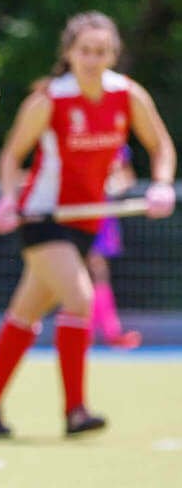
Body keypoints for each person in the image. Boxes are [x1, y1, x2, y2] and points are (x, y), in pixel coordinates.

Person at [0, 11, 176, 437]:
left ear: (112, 55)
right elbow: (11, 156)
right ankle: (76, 411)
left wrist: (161, 184)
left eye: (101, 51)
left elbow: (160, 146)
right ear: (69, 53)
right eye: (85, 50)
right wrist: (9, 197)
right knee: (80, 298)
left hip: (86, 221)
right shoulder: (50, 100)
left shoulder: (128, 95)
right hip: (44, 217)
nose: (92, 58)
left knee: (26, 311)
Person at [88, 145, 141, 348]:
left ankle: (97, 331)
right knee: (91, 271)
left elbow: (127, 176)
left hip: (103, 214)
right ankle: (104, 331)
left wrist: (117, 184)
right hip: (82, 211)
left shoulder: (118, 145)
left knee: (98, 272)